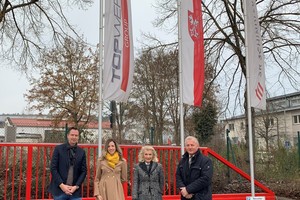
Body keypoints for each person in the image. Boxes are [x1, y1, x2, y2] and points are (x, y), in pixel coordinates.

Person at [48, 127, 87, 200]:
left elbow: (84, 171)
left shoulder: (81, 152)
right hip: (59, 190)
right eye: (72, 135)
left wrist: (76, 186)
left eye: (76, 135)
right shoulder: (58, 149)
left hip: (75, 192)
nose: (74, 137)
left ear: (78, 137)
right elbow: (53, 168)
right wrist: (62, 185)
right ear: (68, 135)